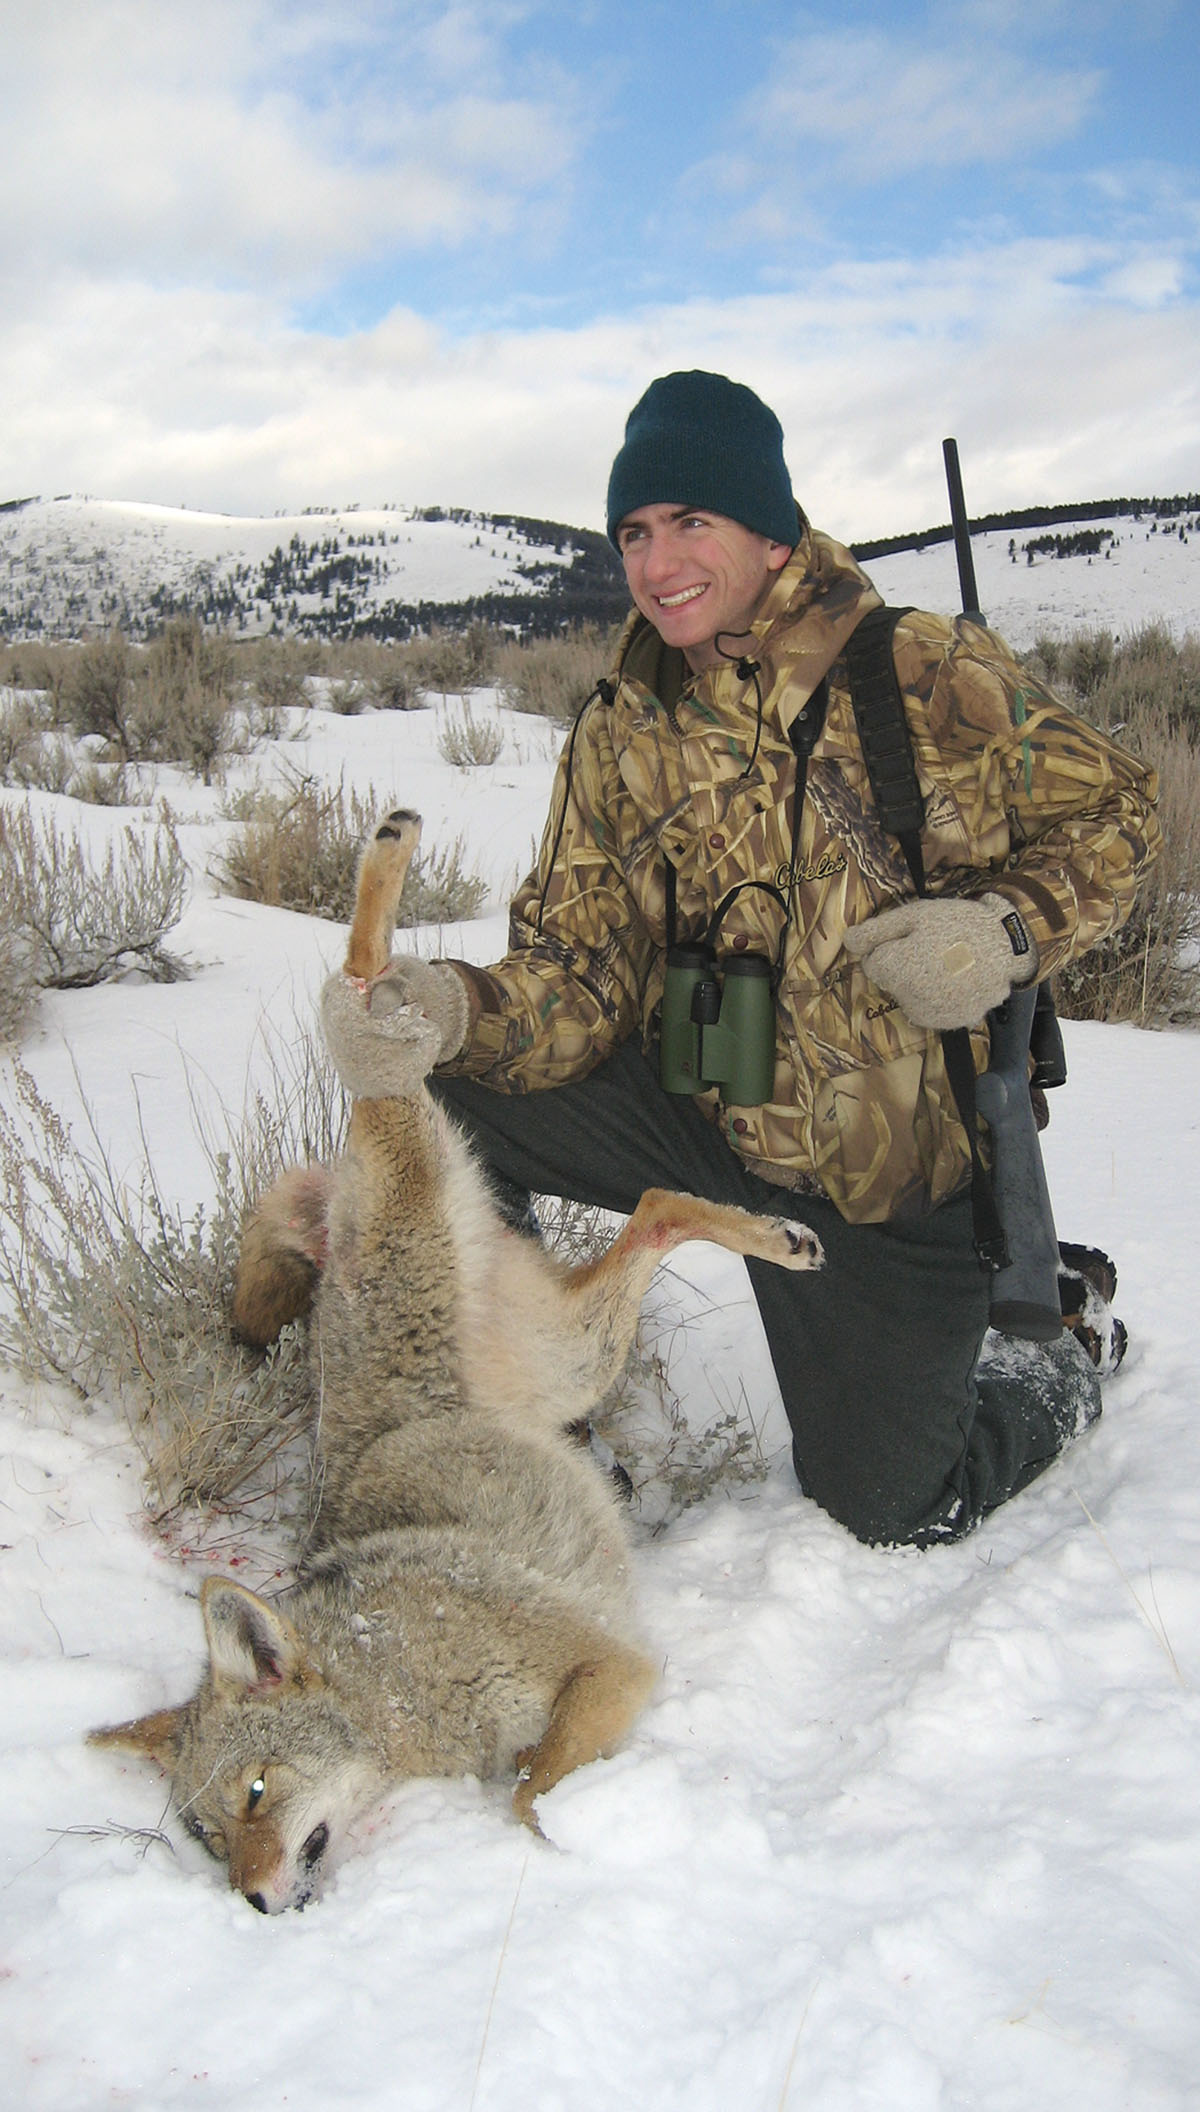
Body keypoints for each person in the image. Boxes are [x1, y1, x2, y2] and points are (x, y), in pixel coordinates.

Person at [365, 370, 1162, 1547]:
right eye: (634, 530)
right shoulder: (621, 722)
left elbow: (1125, 817)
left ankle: (1065, 1335)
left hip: (878, 1172)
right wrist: (445, 1009)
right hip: (699, 1124)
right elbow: (576, 971)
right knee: (441, 1098)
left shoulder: (916, 668)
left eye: (693, 519)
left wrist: (1003, 930)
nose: (657, 558)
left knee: (895, 1508)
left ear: (770, 530)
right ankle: (533, 1434)